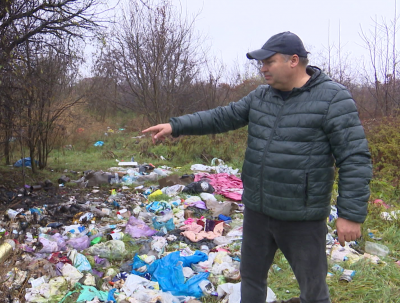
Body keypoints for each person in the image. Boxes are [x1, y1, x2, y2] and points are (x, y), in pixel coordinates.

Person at [142, 31, 372, 303]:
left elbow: (354, 156)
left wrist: (351, 214)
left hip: (301, 217)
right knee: (251, 281)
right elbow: (221, 117)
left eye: (268, 62)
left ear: (293, 61)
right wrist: (176, 125)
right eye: (260, 63)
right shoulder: (261, 97)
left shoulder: (333, 98)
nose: (262, 68)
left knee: (313, 292)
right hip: (258, 211)